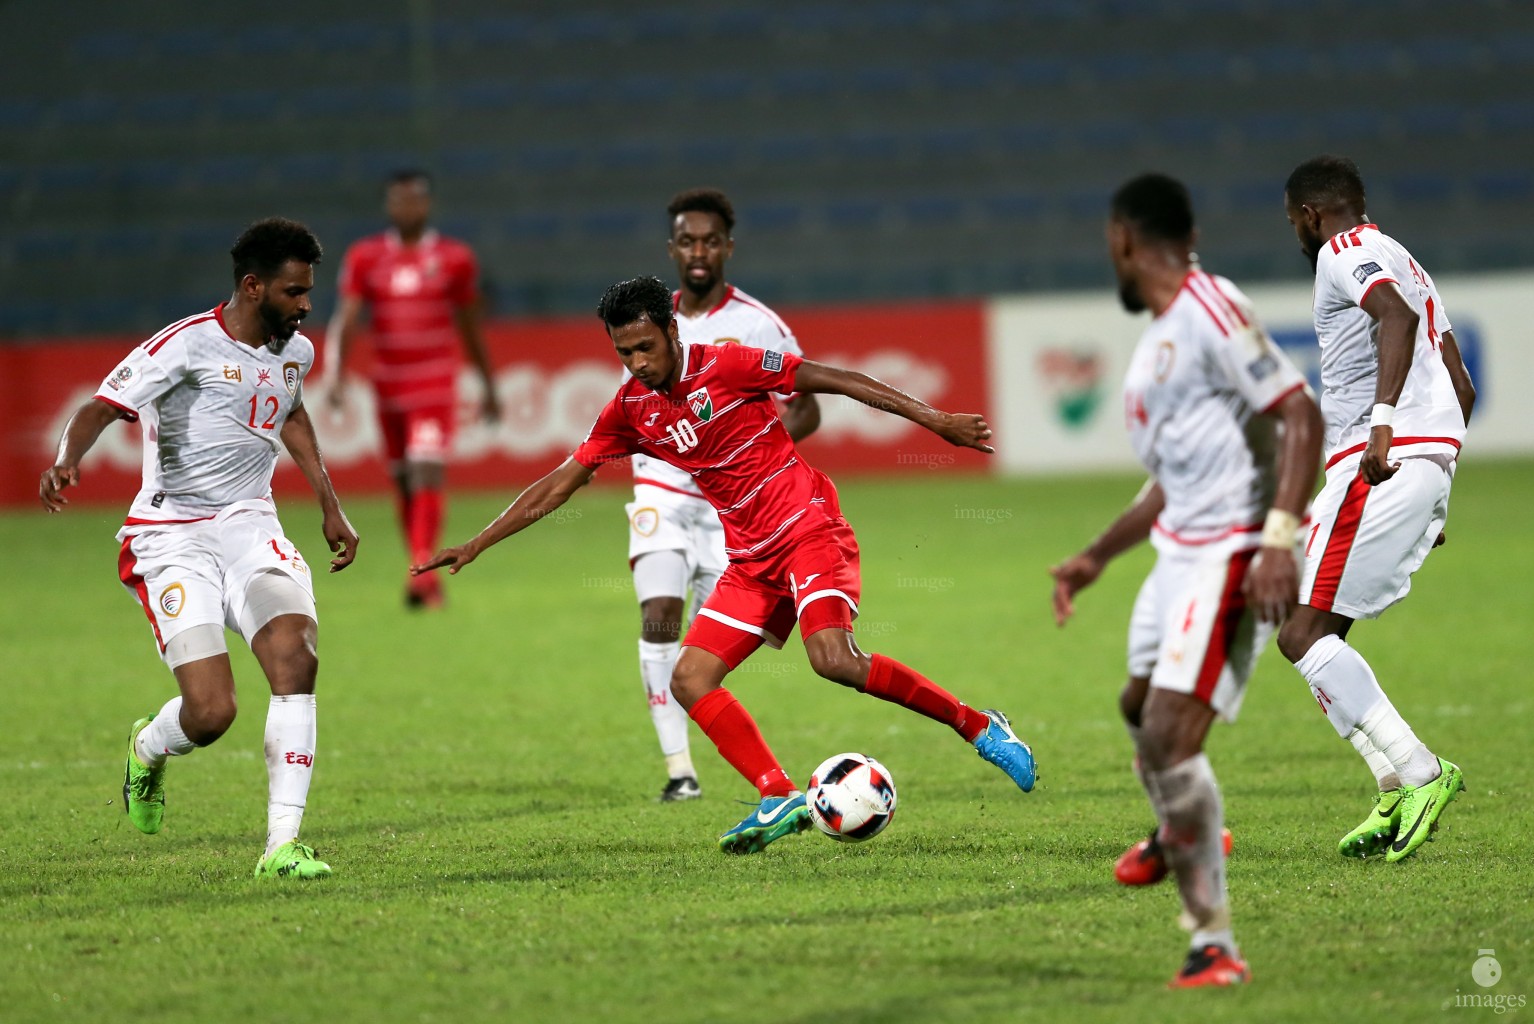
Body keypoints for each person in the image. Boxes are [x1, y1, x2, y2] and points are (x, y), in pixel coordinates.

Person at [416, 275, 1037, 854]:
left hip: (809, 528)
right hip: (749, 558)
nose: (637, 363)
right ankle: (776, 794)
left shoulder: (730, 365)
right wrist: (476, 542)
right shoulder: (631, 408)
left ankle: (980, 726)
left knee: (833, 660)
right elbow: (559, 484)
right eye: (624, 352)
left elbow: (832, 378)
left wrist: (934, 420)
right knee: (687, 678)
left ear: (672, 332)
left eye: (645, 347)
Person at [1050, 175, 1322, 988]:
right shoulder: (1165, 334)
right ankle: (1177, 833)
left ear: (1124, 242)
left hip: (1234, 551)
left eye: (1110, 247)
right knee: (1139, 708)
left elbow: (1299, 412)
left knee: (1171, 735)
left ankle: (1214, 944)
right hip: (1178, 552)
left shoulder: (1210, 307)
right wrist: (1098, 554)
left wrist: (1279, 541)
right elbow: (1172, 476)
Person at [39, 217, 360, 880]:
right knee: (212, 713)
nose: (306, 304)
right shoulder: (183, 346)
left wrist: (329, 500)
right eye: (294, 292)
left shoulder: (294, 351)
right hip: (173, 536)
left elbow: (291, 412)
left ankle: (281, 845)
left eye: (308, 291)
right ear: (252, 286)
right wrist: (68, 458)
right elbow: (102, 404)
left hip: (250, 527)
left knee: (296, 661)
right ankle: (149, 749)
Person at [1277, 155, 1475, 863]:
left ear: (1308, 214)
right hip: (1412, 466)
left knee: (1301, 633)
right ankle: (1390, 782)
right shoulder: (1407, 260)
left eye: (1294, 221)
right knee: (1302, 626)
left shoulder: (1343, 250)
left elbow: (1389, 317)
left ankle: (1419, 772)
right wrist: (1438, 483)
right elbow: (1461, 384)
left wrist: (1388, 425)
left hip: (1379, 462)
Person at [629, 188, 820, 803]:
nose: (699, 251)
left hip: (729, 509)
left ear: (729, 248)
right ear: (672, 249)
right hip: (660, 489)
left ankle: (749, 770)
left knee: (710, 650)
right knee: (658, 613)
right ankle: (680, 770)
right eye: (688, 240)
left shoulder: (758, 324)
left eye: (711, 240)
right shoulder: (651, 319)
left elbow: (807, 407)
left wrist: (745, 456)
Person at [324, 169, 499, 608]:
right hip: (388, 388)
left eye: (415, 199)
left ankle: (419, 574)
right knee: (403, 482)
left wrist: (488, 383)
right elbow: (347, 317)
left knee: (426, 470)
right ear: (389, 206)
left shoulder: (455, 258)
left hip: (434, 383)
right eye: (399, 200)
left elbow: (471, 325)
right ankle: (422, 565)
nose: (407, 208)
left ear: (427, 204)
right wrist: (336, 373)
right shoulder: (365, 257)